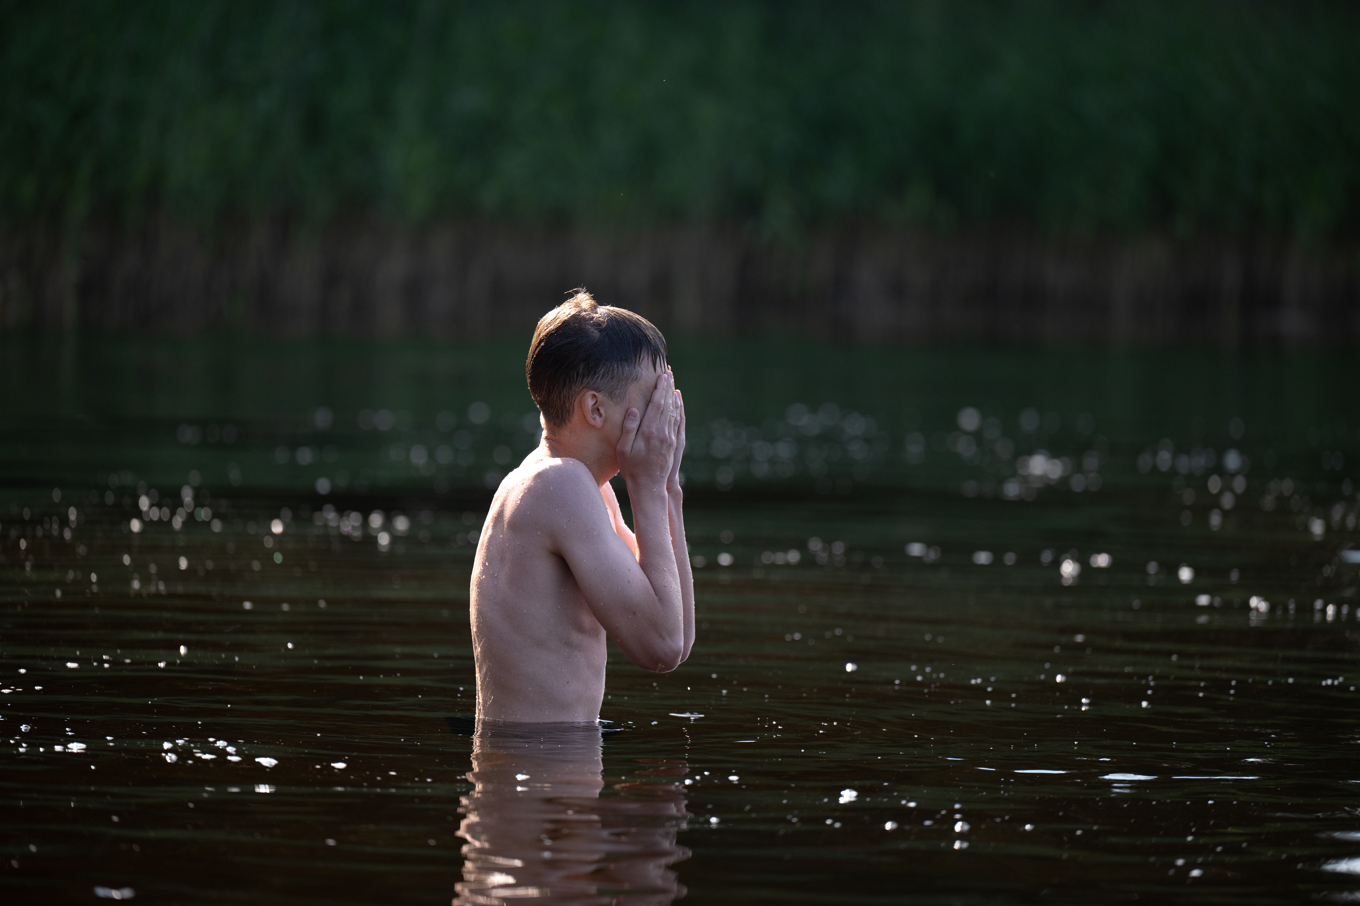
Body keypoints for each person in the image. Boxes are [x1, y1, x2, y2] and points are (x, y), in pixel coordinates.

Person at [470, 291, 695, 723]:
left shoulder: (584, 489)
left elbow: (678, 636)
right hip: (540, 773)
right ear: (594, 408)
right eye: (652, 400)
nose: (662, 418)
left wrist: (667, 486)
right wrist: (647, 486)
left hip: (552, 766)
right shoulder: (558, 486)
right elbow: (661, 647)